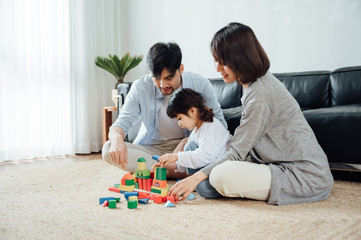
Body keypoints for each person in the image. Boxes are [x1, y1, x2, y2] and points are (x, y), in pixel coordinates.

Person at [169, 22, 334, 205]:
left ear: (240, 58)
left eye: (222, 62)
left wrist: (194, 178)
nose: (217, 68)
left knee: (218, 177)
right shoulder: (253, 85)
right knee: (202, 164)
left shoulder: (259, 95)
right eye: (216, 60)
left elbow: (236, 152)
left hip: (303, 176)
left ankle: (205, 181)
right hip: (278, 165)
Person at [102, 42, 227, 178]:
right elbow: (122, 122)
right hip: (152, 149)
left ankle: (161, 171)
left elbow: (219, 122)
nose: (163, 85)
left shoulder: (200, 84)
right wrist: (116, 138)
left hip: (190, 147)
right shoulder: (140, 87)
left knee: (208, 154)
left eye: (169, 78)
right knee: (108, 149)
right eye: (156, 78)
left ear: (181, 69)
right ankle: (174, 172)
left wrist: (187, 142)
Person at [155, 88, 231, 187]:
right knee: (202, 187)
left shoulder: (210, 126)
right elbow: (189, 160)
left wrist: (176, 156)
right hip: (210, 168)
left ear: (192, 111)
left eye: (179, 118)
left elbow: (205, 156)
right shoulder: (196, 131)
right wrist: (169, 165)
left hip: (224, 168)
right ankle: (197, 182)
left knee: (190, 146)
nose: (179, 124)